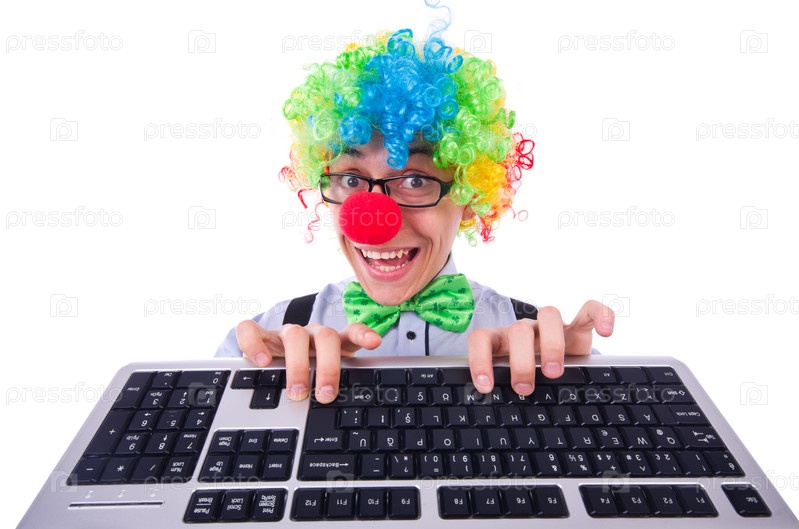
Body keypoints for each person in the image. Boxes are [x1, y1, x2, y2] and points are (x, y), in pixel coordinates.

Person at [215, 28, 614, 403]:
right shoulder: (273, 335)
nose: (373, 222)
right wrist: (259, 379)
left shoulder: (534, 339)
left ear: (469, 192)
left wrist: (574, 381)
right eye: (351, 180)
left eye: (414, 180)